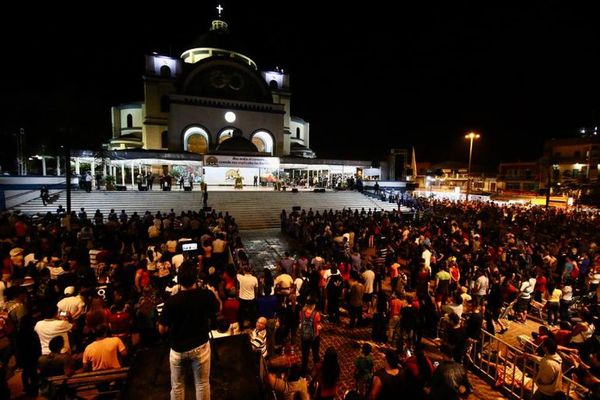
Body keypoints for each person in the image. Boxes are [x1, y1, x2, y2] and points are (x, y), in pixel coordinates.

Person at [158, 261, 220, 400]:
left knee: (177, 386)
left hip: (178, 349)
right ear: (196, 278)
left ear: (179, 280)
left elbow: (162, 329)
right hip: (200, 347)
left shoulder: (171, 302)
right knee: (202, 384)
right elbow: (218, 309)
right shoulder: (206, 295)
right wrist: (215, 294)